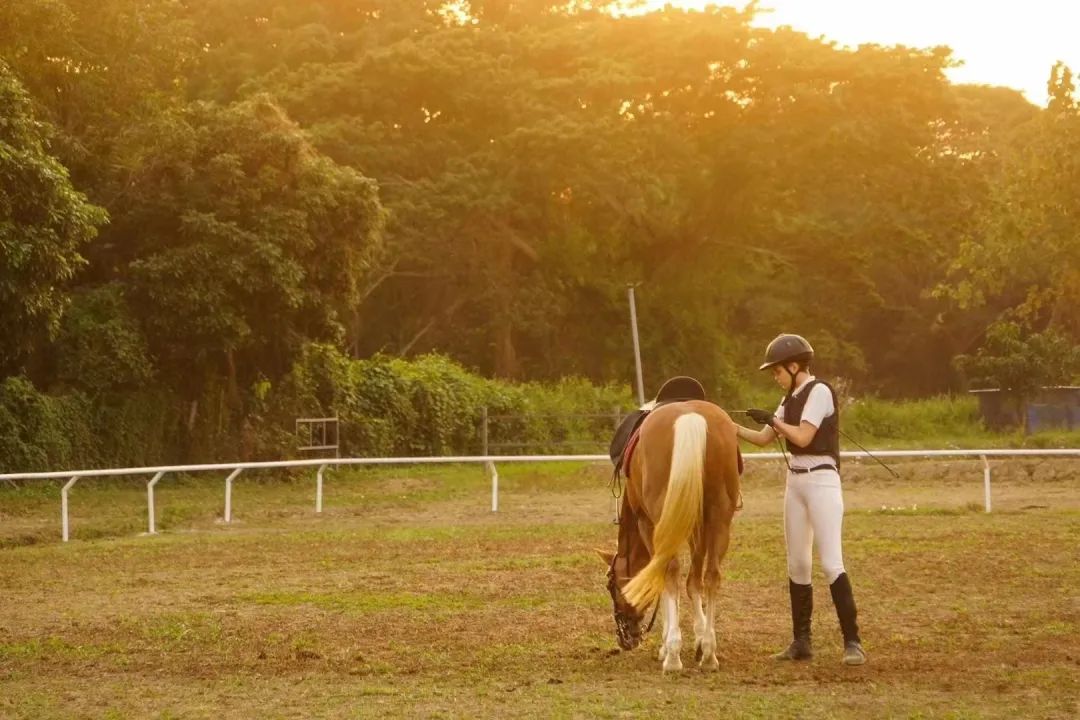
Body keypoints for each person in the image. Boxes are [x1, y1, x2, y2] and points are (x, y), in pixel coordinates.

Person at [734, 334, 866, 666]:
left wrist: (774, 419)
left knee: (830, 562)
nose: (775, 378)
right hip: (795, 482)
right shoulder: (789, 397)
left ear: (794, 366)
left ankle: (853, 642)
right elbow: (765, 439)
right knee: (797, 563)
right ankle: (801, 641)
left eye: (777, 371)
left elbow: (804, 436)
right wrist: (730, 426)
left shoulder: (819, 391)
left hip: (821, 480)